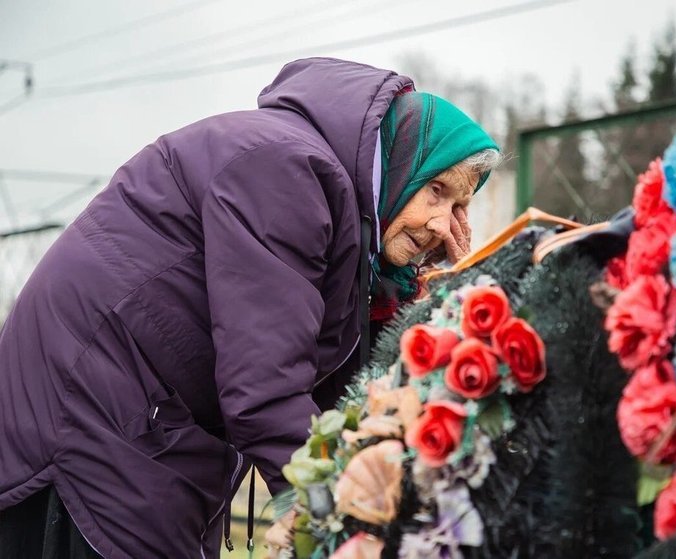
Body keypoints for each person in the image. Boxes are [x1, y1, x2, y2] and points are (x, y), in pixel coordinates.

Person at [0, 57, 500, 558]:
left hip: (132, 416)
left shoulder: (344, 216)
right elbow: (266, 388)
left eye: (460, 206)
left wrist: (429, 297)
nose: (443, 224)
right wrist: (354, 520)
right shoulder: (289, 172)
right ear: (399, 162)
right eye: (436, 190)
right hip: (89, 412)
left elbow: (334, 391)